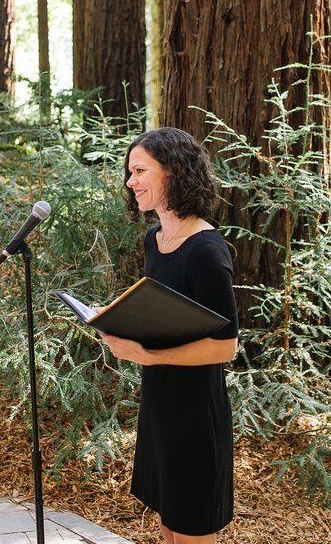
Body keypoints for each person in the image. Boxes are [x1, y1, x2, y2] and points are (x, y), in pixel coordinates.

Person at [103, 127, 239, 544]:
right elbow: (167, 317)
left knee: (192, 530)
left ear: (174, 172)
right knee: (168, 526)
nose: (131, 181)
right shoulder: (154, 240)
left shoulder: (206, 251)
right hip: (160, 408)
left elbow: (226, 346)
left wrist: (150, 357)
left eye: (141, 170)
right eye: (130, 171)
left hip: (196, 415)